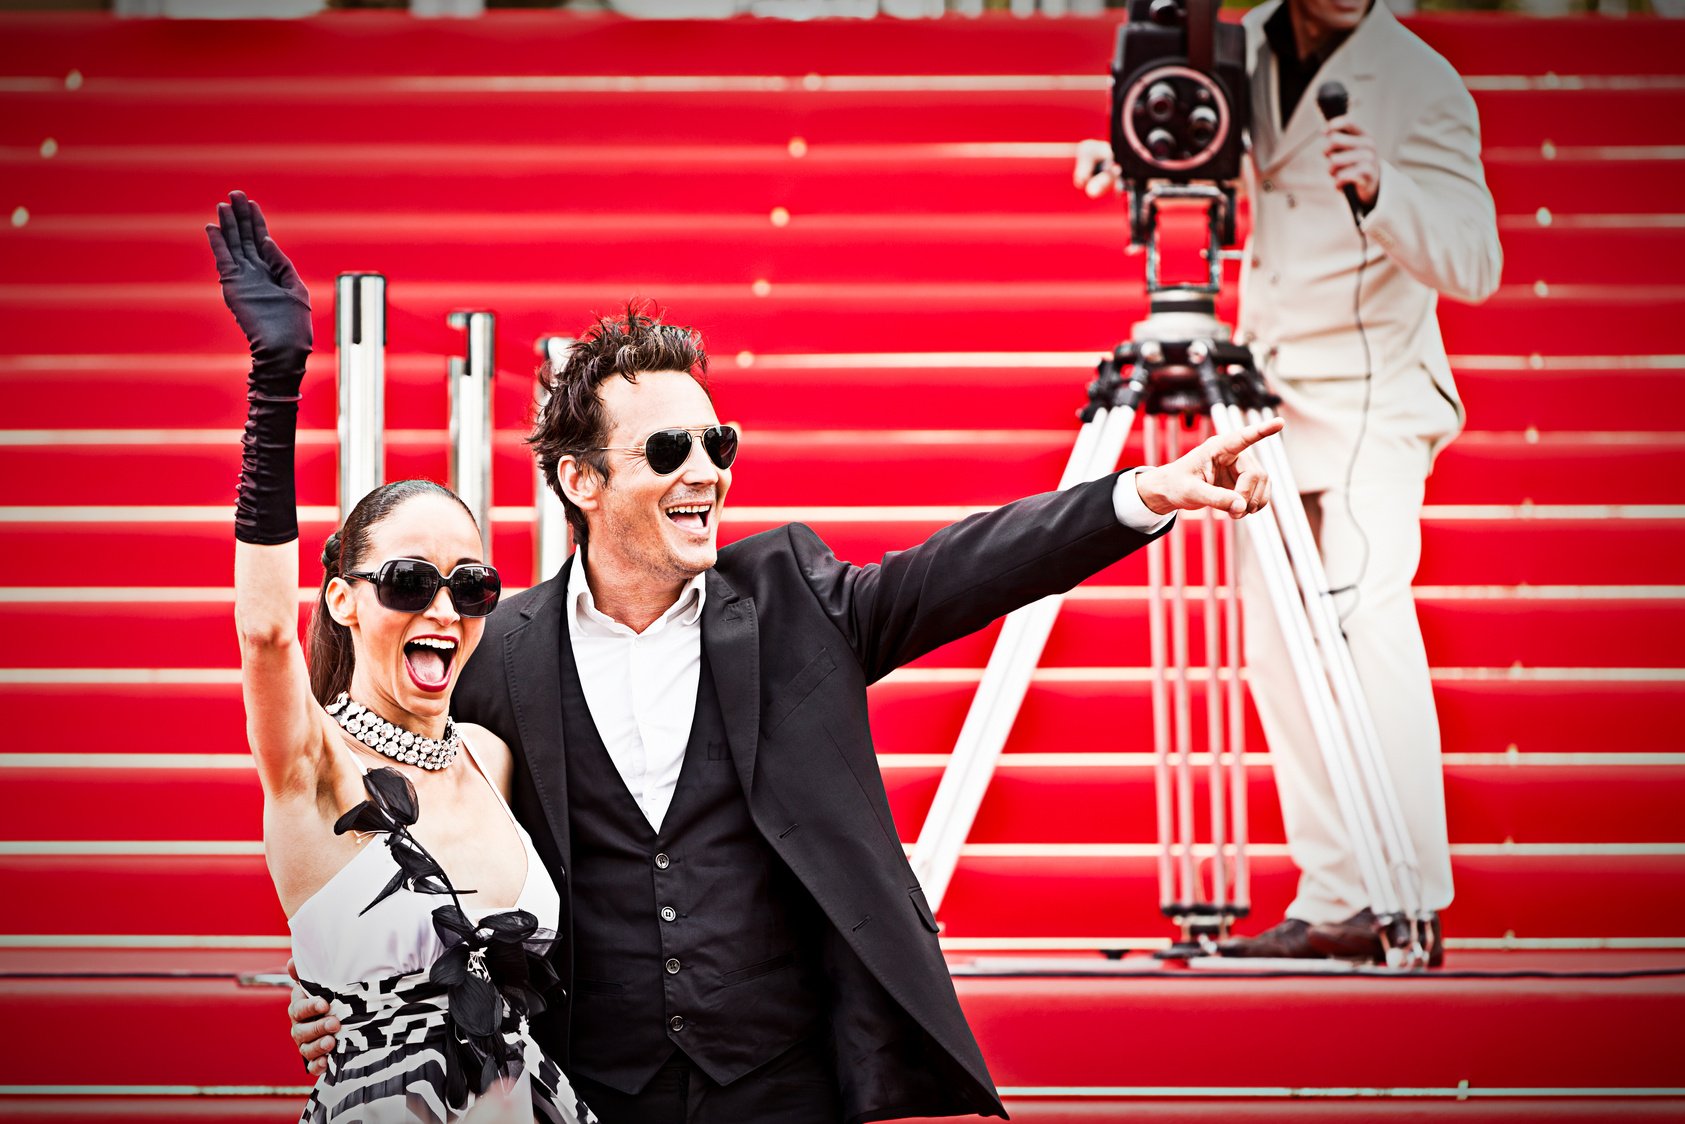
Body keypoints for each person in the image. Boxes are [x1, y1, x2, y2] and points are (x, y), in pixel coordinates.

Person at [290, 296, 1283, 1121]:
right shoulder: (498, 650)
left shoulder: (790, 596)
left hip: (781, 1084)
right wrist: (333, 984)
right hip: (586, 1088)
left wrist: (1142, 492)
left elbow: (961, 569)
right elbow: (393, 815)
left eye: (716, 440)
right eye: (669, 447)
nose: (706, 470)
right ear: (579, 480)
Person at [1075, 0, 1502, 964]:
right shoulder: (1234, 47)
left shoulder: (1422, 80)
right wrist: (1133, 142)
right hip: (1267, 394)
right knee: (1276, 648)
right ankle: (1337, 894)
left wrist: (1384, 188)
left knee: (1365, 627)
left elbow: (1475, 263)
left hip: (1368, 400)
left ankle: (1405, 894)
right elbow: (1202, 140)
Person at [212, 190, 597, 1123]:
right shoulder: (311, 768)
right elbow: (264, 633)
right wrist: (275, 387)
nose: (443, 608)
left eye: (470, 587)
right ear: (343, 598)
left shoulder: (487, 755)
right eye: (408, 582)